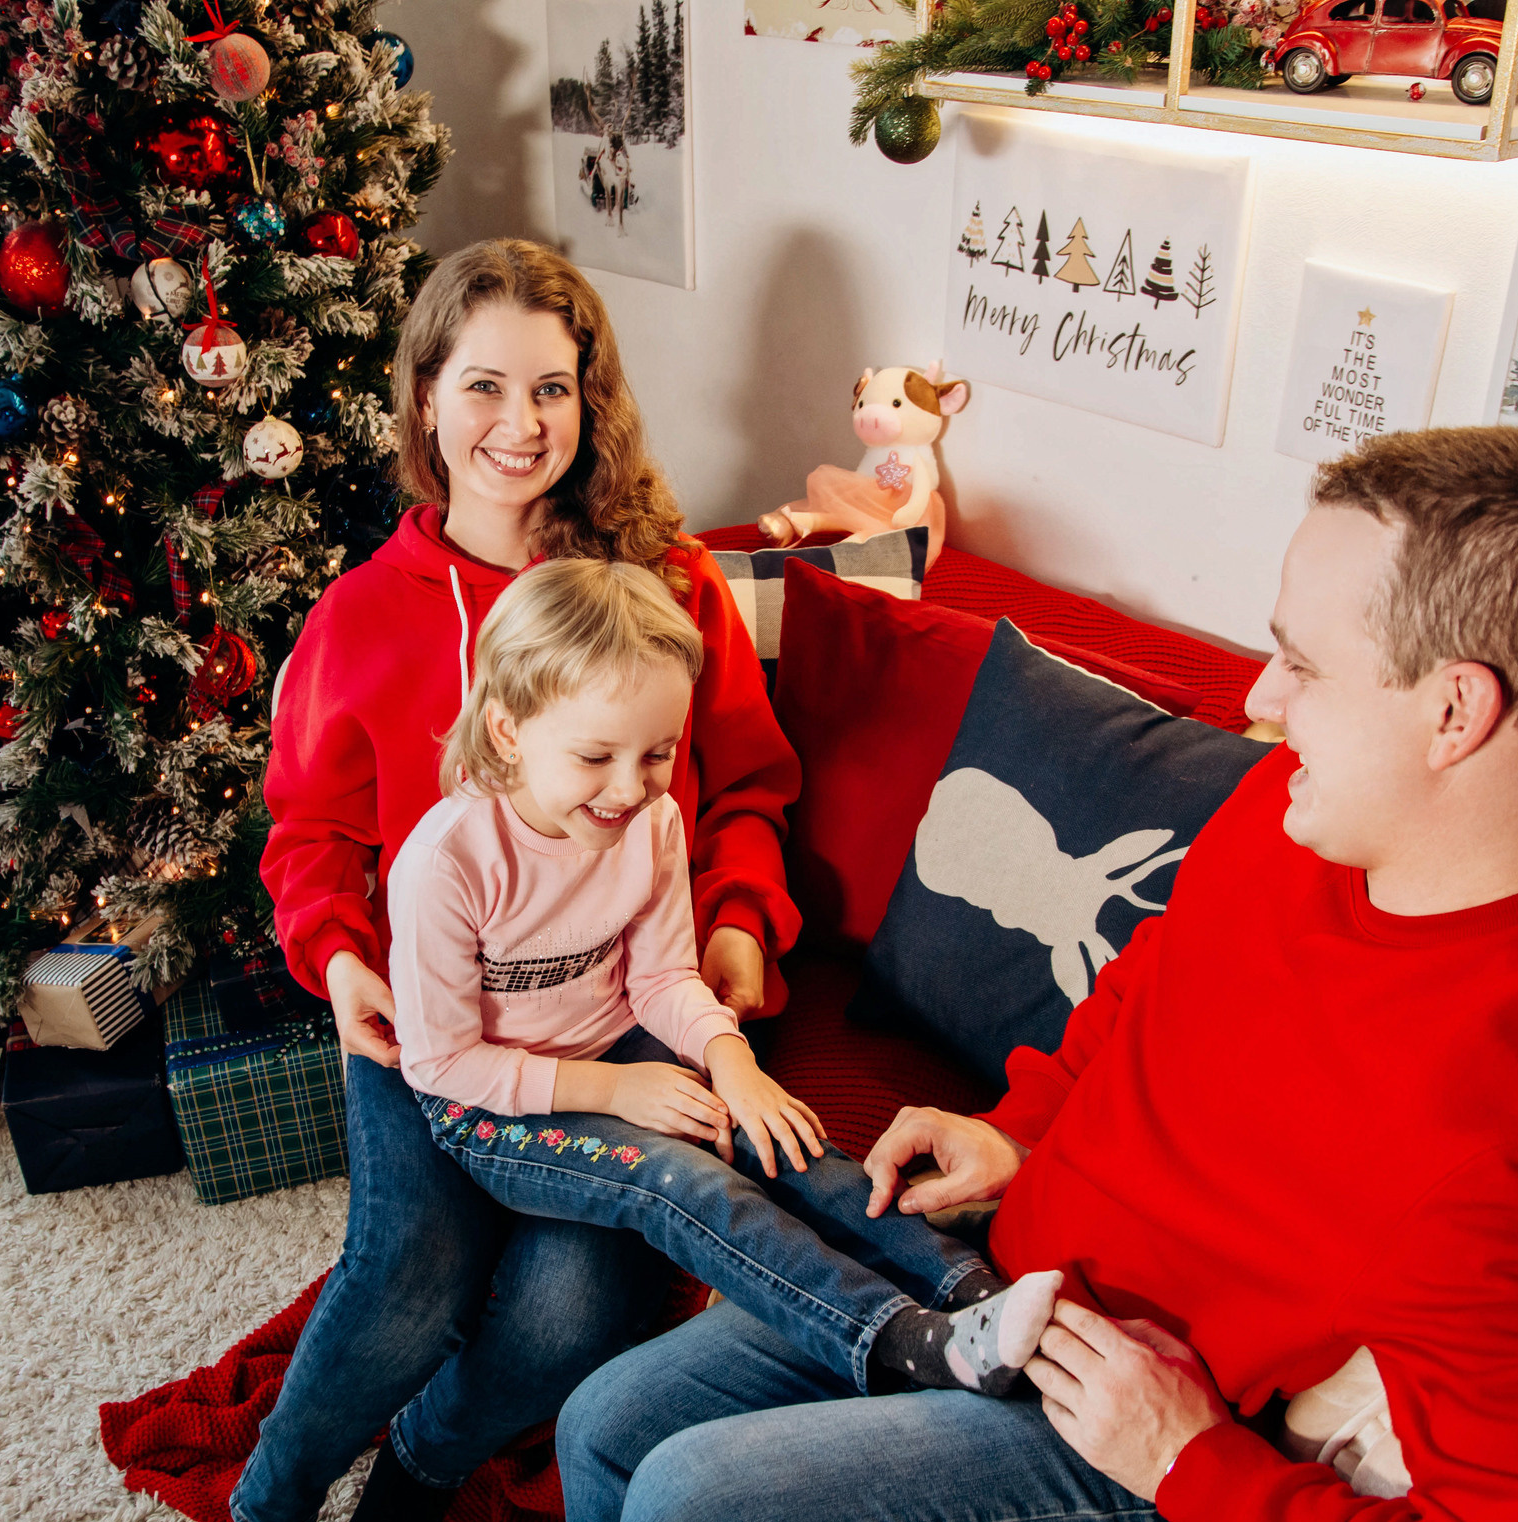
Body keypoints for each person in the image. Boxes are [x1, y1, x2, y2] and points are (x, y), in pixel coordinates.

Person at [556, 425, 1518, 1522]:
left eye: (1304, 665)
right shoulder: (1296, 816)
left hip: (1130, 1434)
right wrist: (1026, 1123)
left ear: (1453, 712)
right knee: (606, 1425)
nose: (1258, 700)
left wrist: (1190, 1464)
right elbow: (1149, 987)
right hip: (1008, 1279)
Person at [164, 238, 803, 1522]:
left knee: (573, 1310)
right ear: (427, 399)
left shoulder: (669, 586)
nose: (522, 423)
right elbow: (310, 829)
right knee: (411, 1264)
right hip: (428, 1012)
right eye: (487, 385)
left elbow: (754, 784)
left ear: (594, 402)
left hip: (629, 989)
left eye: (556, 388)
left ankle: (425, 1454)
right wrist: (336, 960)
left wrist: (737, 926)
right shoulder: (364, 615)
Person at [392, 555, 1062, 1400]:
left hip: (620, 1043)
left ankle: (971, 1289)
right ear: (507, 731)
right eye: (596, 755)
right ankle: (904, 1342)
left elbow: (665, 976)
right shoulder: (446, 863)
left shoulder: (656, 820)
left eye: (658, 753)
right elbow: (439, 1063)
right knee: (688, 1180)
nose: (630, 787)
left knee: (792, 1145)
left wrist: (732, 1060)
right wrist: (615, 1089)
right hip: (490, 1104)